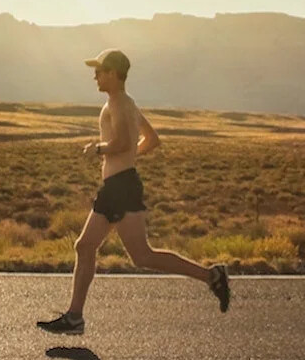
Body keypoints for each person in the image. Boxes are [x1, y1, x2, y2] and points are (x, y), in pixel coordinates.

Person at [37, 48, 230, 335]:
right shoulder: (127, 103)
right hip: (117, 186)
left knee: (141, 256)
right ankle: (74, 316)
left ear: (114, 74)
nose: (95, 76)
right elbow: (151, 140)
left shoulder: (117, 103)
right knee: (86, 246)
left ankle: (211, 275)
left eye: (100, 71)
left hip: (122, 188)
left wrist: (98, 150)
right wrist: (127, 159)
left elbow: (124, 142)